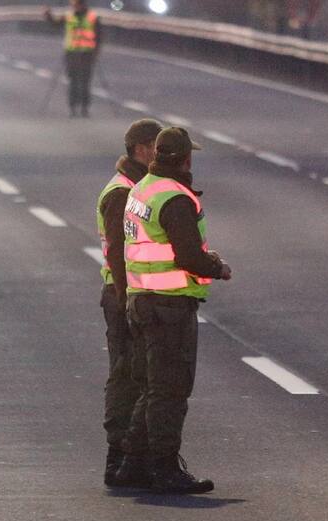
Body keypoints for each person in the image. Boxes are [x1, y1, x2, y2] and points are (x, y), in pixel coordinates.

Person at [115, 127, 232, 494]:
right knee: (170, 391)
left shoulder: (142, 189)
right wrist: (217, 267)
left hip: (142, 299)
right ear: (186, 158)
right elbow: (188, 256)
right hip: (169, 306)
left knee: (151, 388)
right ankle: (165, 469)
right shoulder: (176, 198)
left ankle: (131, 465)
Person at [97, 119, 164, 486]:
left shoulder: (138, 187)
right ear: (141, 148)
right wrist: (127, 301)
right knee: (126, 376)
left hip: (134, 294)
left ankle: (133, 459)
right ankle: (118, 458)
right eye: (157, 146)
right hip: (124, 296)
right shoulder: (123, 192)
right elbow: (118, 255)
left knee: (140, 375)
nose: (162, 153)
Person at [44, 0, 101, 118]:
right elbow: (55, 24)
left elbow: (99, 36)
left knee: (85, 82)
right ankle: (73, 107)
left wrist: (96, 53)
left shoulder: (92, 17)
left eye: (76, 4)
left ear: (82, 4)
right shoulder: (68, 16)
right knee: (73, 82)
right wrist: (48, 15)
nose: (74, 6)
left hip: (87, 55)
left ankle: (84, 108)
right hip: (72, 54)